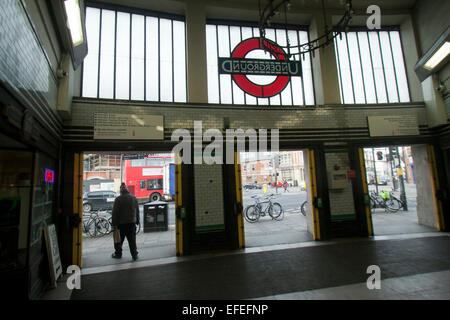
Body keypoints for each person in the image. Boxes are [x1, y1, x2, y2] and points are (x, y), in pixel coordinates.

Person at [111, 183, 140, 261]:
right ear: (127, 190)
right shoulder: (133, 198)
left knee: (118, 240)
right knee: (132, 240)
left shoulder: (118, 199)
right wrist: (137, 221)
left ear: (121, 191)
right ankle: (134, 255)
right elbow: (137, 211)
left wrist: (114, 224)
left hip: (121, 224)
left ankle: (118, 253)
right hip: (131, 223)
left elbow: (114, 213)